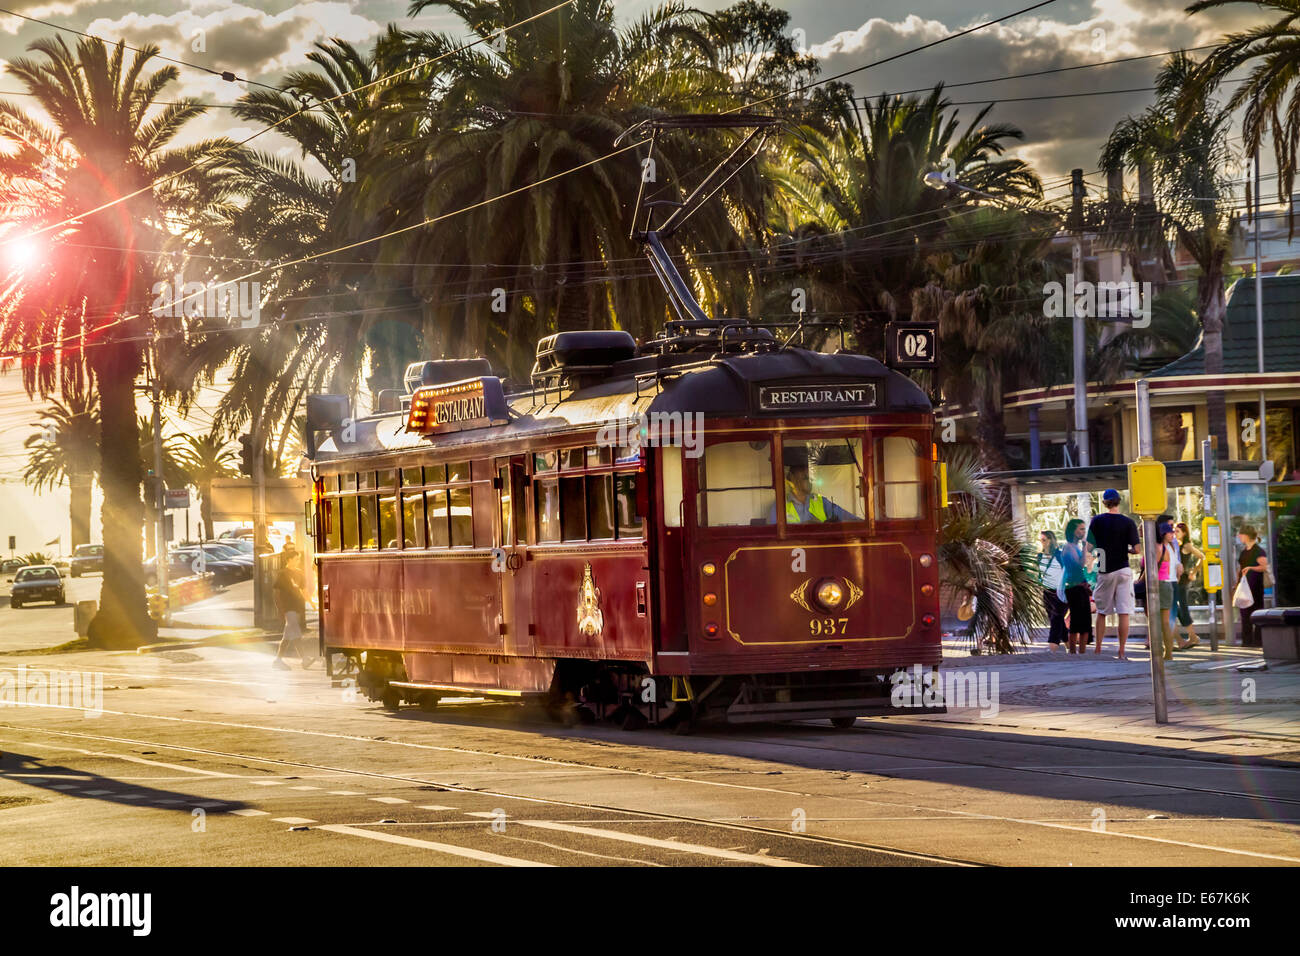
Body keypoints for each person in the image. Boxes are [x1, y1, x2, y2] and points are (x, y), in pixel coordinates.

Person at [1087, 489, 1140, 658]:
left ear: (1104, 503)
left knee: (1102, 612)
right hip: (1123, 570)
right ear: (1119, 501)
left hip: (1105, 571)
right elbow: (1137, 549)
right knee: (1124, 612)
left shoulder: (1097, 521)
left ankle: (1098, 649)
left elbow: (1089, 547)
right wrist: (1128, 550)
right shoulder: (1128, 522)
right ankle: (1122, 651)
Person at [272, 550, 315, 669]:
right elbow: (276, 593)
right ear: (288, 560)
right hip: (288, 607)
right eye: (295, 559)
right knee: (295, 632)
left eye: (298, 559)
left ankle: (278, 660)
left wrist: (312, 603)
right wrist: (280, 610)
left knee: (288, 635)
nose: (297, 561)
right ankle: (304, 659)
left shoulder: (300, 574)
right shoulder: (283, 574)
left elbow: (304, 591)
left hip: (297, 608)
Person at [776, 464, 858, 523]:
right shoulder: (779, 507)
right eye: (802, 471)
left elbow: (854, 521)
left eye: (810, 474)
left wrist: (826, 526)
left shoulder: (822, 501)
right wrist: (805, 528)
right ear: (792, 477)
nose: (809, 476)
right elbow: (773, 538)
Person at [1060, 518, 1094, 654]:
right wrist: (1085, 547)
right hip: (1073, 588)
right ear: (1073, 531)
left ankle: (1083, 651)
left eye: (1084, 529)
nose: (1083, 532)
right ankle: (1073, 650)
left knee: (1085, 621)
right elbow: (1079, 565)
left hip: (1081, 587)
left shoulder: (1076, 547)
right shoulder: (1068, 547)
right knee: (1076, 620)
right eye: (1080, 529)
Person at [1151, 520, 1182, 661]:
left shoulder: (1161, 547)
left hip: (1162, 584)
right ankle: (1167, 652)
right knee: (1164, 621)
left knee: (1163, 622)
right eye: (1170, 532)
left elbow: (1153, 569)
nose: (1173, 535)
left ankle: (1167, 653)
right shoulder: (1169, 547)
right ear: (1163, 534)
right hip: (1168, 583)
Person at [1236, 525, 1269, 647]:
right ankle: (1246, 641)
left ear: (1247, 535)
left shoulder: (1258, 551)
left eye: (1241, 534)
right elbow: (1239, 569)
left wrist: (1251, 568)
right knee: (1245, 615)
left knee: (1256, 614)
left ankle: (1258, 641)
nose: (1239, 536)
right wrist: (1236, 584)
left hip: (1255, 588)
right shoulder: (1244, 551)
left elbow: (1264, 567)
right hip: (1244, 588)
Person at [1172, 522, 1203, 649]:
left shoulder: (1187, 545)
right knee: (1179, 608)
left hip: (1182, 581)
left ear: (1184, 533)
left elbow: (1202, 557)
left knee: (1183, 608)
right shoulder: (1178, 544)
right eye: (1174, 530)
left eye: (1177, 531)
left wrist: (1193, 572)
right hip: (1177, 580)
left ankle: (1193, 637)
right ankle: (1191, 636)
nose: (1175, 533)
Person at [1037, 530, 1068, 650]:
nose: (1042, 543)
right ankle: (1071, 648)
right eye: (1040, 540)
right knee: (1056, 620)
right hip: (1047, 592)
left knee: (1056, 619)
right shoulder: (1039, 557)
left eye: (1044, 540)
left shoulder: (1060, 555)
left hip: (1060, 592)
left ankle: (1052, 649)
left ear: (1051, 540)